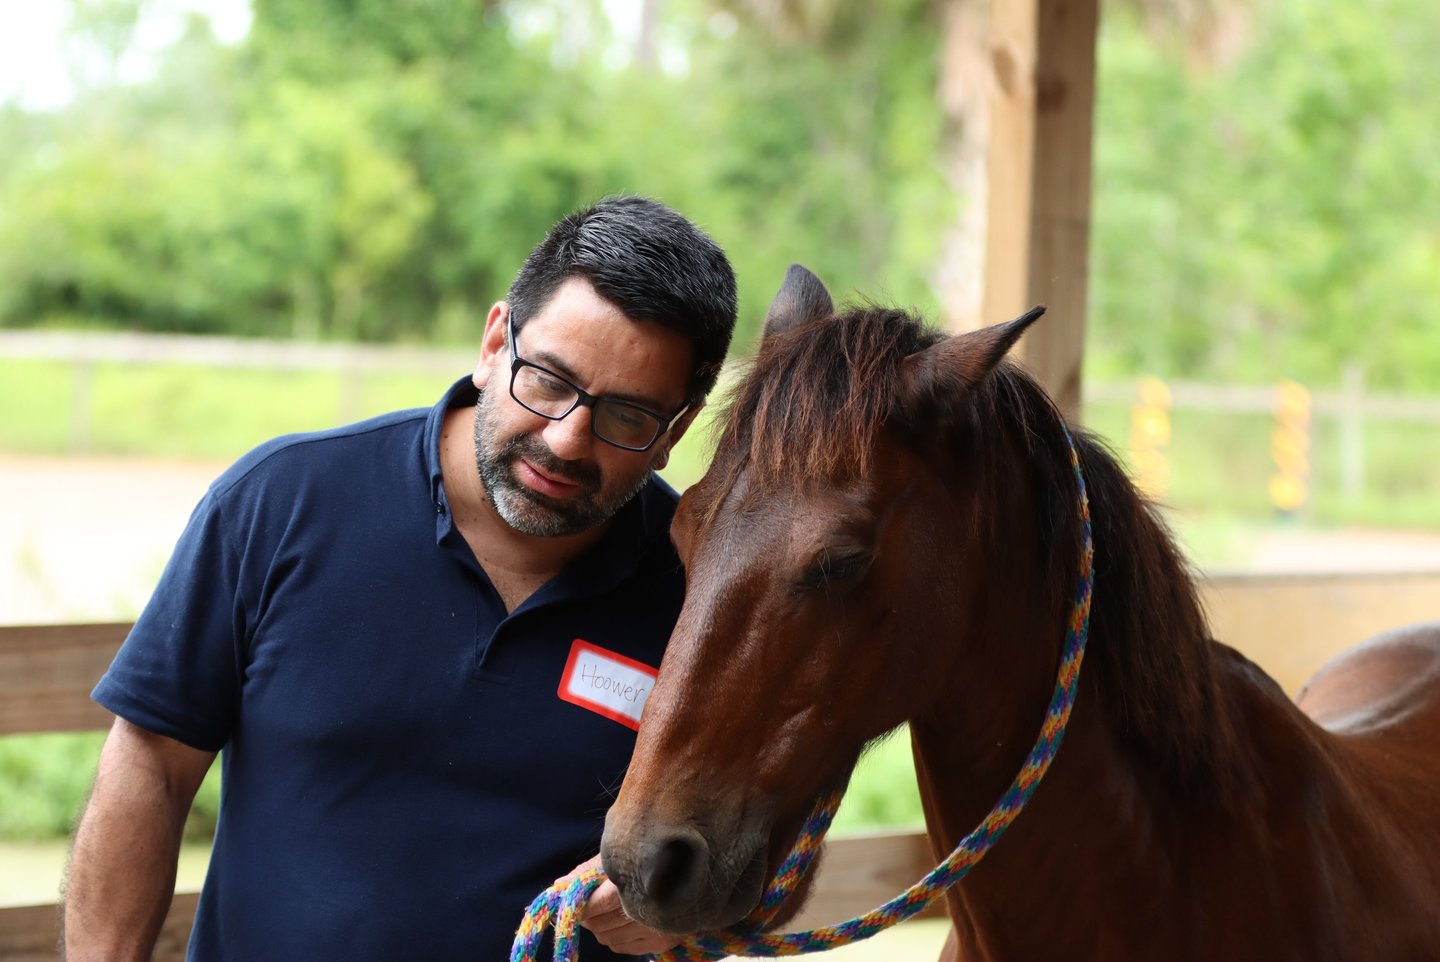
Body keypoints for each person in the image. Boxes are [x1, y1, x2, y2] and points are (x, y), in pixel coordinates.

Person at [62, 195, 738, 961]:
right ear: (493, 344)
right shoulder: (281, 502)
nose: (565, 439)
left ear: (676, 432)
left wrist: (686, 907)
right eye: (547, 379)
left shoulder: (707, 591)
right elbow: (151, 763)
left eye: (626, 417)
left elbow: (754, 842)